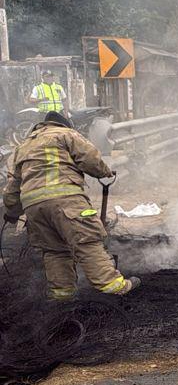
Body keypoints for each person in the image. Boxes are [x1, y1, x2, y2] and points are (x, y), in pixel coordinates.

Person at [3, 111, 138, 300]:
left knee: (54, 250)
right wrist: (104, 172)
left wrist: (12, 211)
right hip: (66, 199)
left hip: (34, 208)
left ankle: (62, 295)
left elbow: (13, 186)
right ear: (63, 124)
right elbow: (90, 159)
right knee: (86, 240)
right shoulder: (66, 134)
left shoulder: (22, 148)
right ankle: (112, 285)